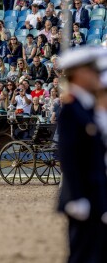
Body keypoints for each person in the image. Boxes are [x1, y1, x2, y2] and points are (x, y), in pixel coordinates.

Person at [57, 47, 107, 263]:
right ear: (79, 73)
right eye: (93, 70)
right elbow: (68, 155)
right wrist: (76, 196)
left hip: (95, 196)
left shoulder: (85, 108)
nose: (97, 75)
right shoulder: (72, 109)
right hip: (83, 197)